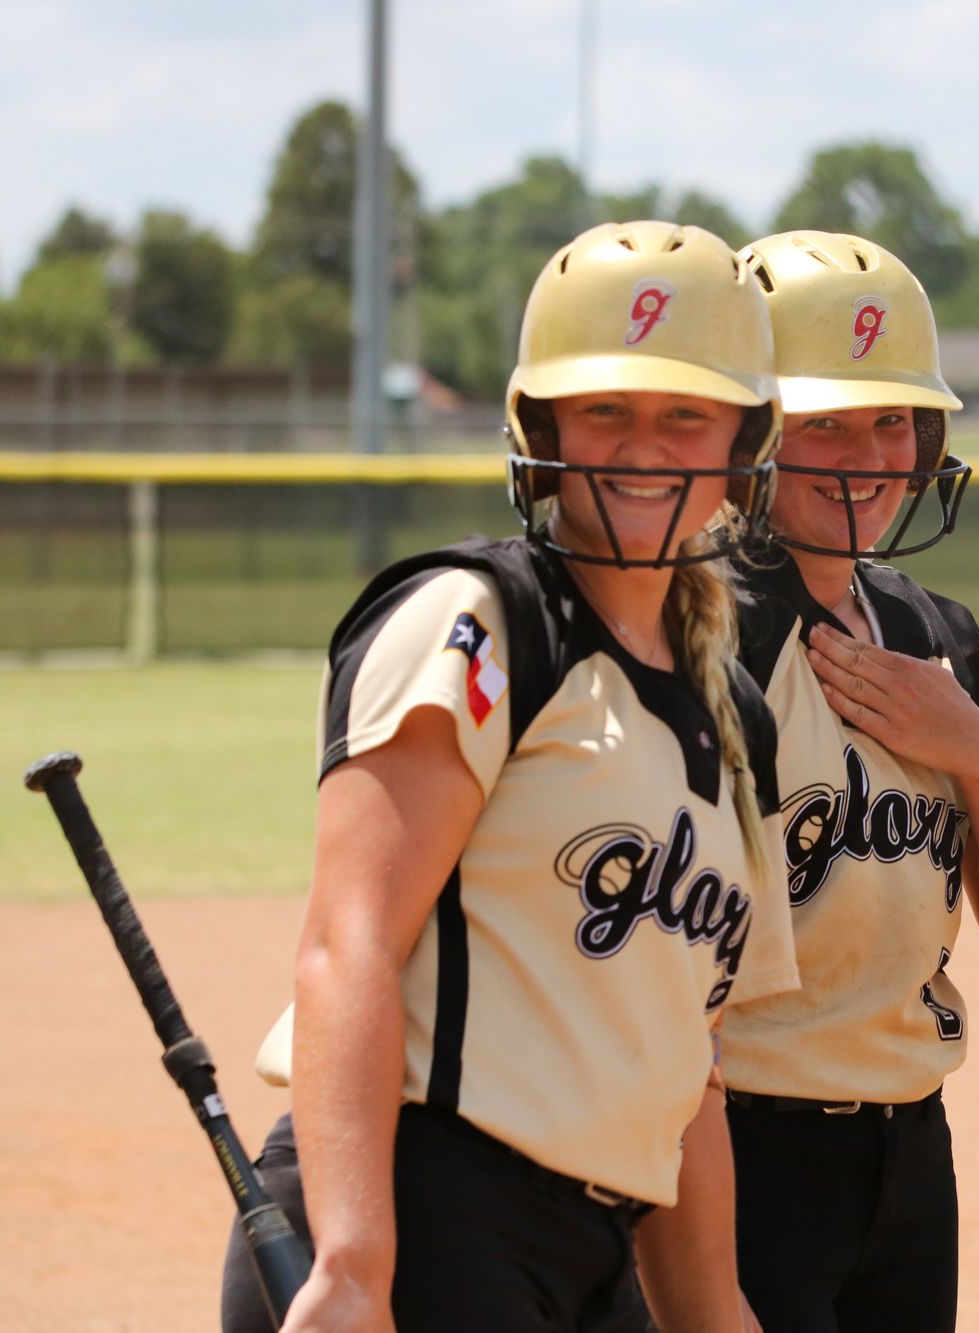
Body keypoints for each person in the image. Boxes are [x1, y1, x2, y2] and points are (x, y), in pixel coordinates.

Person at [223, 221, 798, 1333]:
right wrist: (350, 1265)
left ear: (740, 441)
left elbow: (691, 1069)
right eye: (604, 411)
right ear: (540, 428)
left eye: (684, 412)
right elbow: (349, 945)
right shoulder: (481, 624)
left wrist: (717, 1310)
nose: (642, 446)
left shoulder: (734, 722)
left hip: (595, 1249)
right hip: (425, 1211)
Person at [716, 229, 979, 1333]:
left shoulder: (938, 639)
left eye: (895, 420)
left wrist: (977, 753)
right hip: (733, 1142)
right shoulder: (694, 637)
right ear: (751, 431)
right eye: (822, 422)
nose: (869, 455)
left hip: (909, 1150)